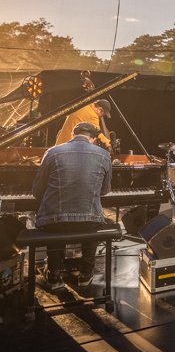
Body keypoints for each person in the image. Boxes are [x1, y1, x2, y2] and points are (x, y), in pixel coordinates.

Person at [32, 122, 111, 290]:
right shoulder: (104, 155)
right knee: (92, 223)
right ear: (92, 139)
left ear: (72, 135)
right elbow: (104, 191)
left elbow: (37, 191)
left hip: (55, 221)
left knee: (55, 221)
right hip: (89, 220)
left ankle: (54, 275)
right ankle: (85, 275)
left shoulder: (52, 152)